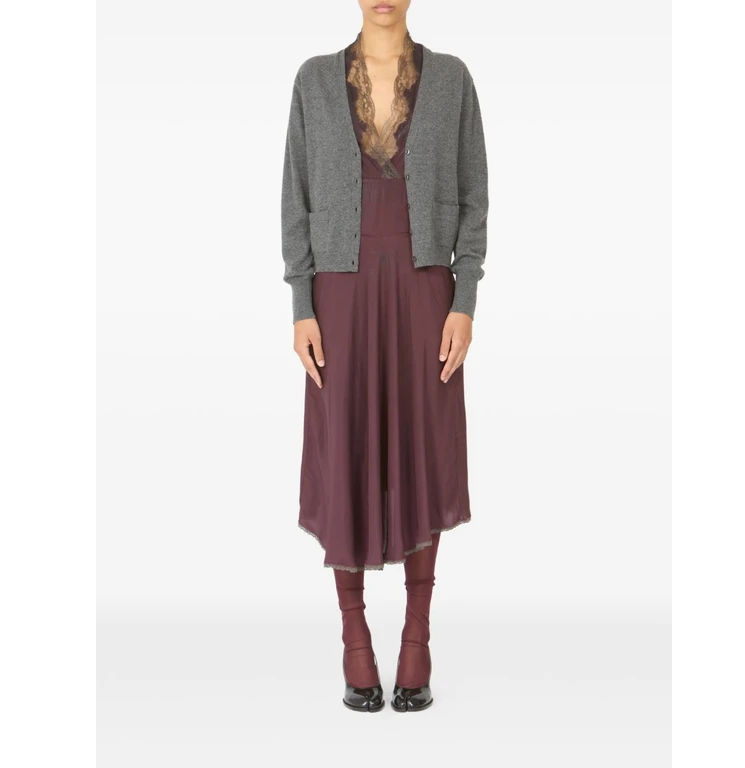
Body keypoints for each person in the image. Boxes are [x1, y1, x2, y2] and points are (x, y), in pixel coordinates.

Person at [280, 0, 488, 712]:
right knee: (344, 447)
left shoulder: (452, 80)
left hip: (427, 292)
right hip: (339, 295)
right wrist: (302, 306)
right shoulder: (313, 81)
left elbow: (475, 197)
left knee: (423, 447)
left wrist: (465, 299)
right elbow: (296, 201)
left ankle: (417, 638)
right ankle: (355, 638)